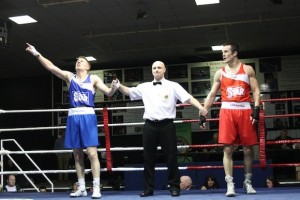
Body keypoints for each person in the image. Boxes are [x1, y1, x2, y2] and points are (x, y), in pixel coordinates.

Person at [26, 43, 119, 199]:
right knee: (76, 155)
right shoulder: (69, 76)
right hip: (73, 116)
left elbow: (109, 93)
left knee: (92, 153)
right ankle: (81, 187)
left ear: (88, 66)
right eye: (77, 61)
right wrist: (37, 53)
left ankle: (96, 187)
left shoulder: (94, 78)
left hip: (88, 116)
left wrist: (115, 88)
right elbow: (51, 67)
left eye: (82, 61)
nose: (78, 62)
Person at [117, 61, 208, 197]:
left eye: (159, 67)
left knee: (171, 157)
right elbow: (129, 91)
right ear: (152, 70)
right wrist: (118, 85)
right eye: (154, 68)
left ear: (164, 69)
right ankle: (148, 188)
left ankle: (174, 187)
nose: (156, 70)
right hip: (149, 125)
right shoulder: (145, 87)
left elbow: (188, 98)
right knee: (148, 158)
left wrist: (201, 107)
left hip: (167, 125)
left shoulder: (173, 86)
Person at [203, 42, 260, 197]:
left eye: (226, 51)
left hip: (244, 110)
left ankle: (248, 182)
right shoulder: (219, 73)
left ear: (234, 53)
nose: (223, 54)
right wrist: (203, 112)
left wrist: (256, 109)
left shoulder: (247, 69)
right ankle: (230, 184)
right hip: (227, 111)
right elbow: (212, 94)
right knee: (228, 149)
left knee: (248, 149)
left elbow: (256, 91)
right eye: (222, 52)